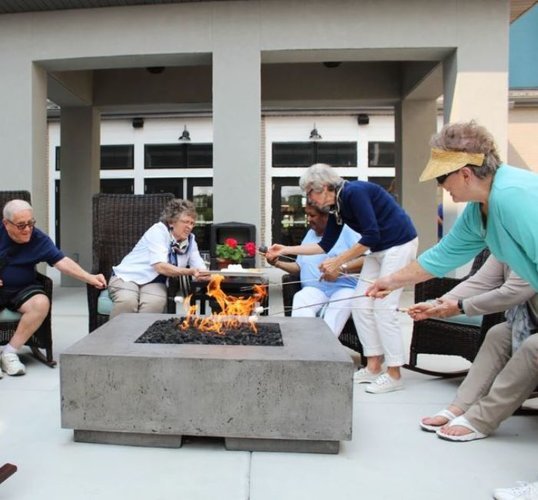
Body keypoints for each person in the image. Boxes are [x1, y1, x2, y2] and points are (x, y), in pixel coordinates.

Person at [267, 163, 418, 394]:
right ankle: (373, 366)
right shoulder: (337, 207)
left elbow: (371, 235)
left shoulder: (354, 193)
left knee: (384, 308)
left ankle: (394, 374)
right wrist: (285, 249)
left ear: (324, 186)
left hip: (399, 244)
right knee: (360, 304)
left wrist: (338, 262)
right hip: (379, 249)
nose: (309, 198)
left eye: (310, 192)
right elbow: (324, 245)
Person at [409, 254, 537, 442]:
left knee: (534, 346)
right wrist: (436, 305)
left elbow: (514, 291)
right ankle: (461, 406)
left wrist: (459, 307)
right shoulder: (505, 245)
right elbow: (481, 281)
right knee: (498, 334)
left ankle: (481, 419)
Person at [0, 199, 107, 376]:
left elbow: (61, 261)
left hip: (22, 289)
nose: (27, 229)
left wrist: (89, 277)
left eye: (30, 223)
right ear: (6, 224)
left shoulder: (38, 238)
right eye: (21, 225)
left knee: (41, 303)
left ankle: (9, 353)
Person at [265, 201, 364, 337]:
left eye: (312, 215)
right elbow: (299, 268)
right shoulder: (310, 234)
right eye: (307, 215)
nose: (308, 219)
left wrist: (341, 268)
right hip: (315, 289)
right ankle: (306, 342)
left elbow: (367, 259)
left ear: (326, 216)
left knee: (340, 305)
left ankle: (326, 344)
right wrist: (277, 263)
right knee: (301, 297)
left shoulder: (348, 230)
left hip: (344, 289)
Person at [109, 198, 208, 319]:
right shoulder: (158, 231)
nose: (189, 227)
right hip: (127, 277)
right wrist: (189, 271)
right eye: (186, 222)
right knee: (128, 301)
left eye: (192, 223)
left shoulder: (191, 241)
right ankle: (116, 332)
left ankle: (143, 332)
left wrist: (210, 275)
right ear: (171, 222)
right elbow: (160, 266)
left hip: (154, 282)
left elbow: (199, 267)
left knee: (155, 303)